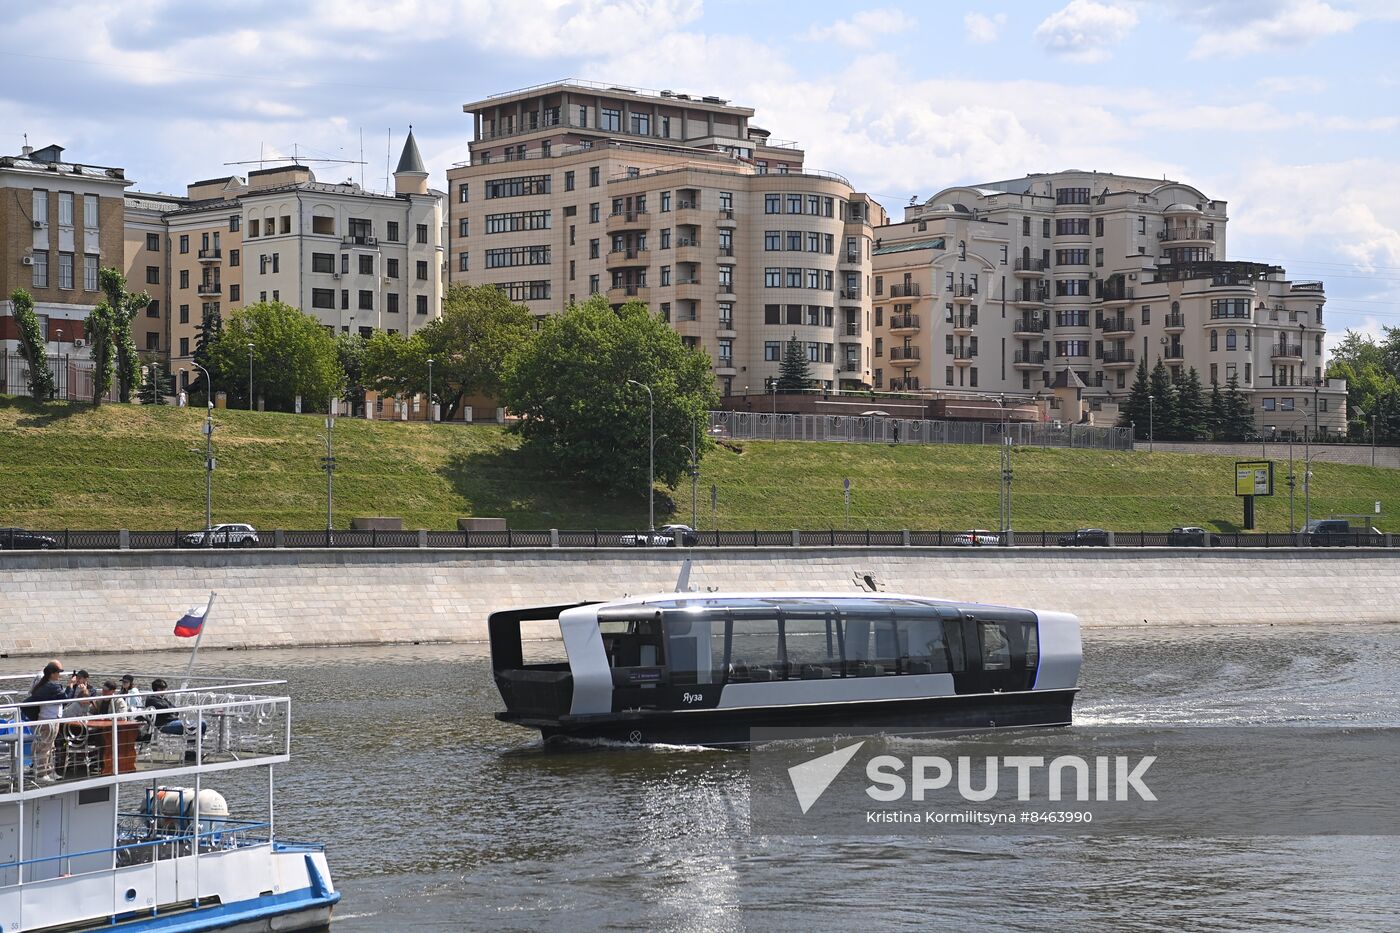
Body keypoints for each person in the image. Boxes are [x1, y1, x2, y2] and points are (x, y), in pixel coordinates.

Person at [25, 662, 70, 783]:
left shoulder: (42, 685)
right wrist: (70, 686)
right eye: (58, 673)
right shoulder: (52, 686)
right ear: (52, 674)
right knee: (46, 747)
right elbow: (66, 698)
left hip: (43, 717)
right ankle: (42, 775)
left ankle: (48, 771)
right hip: (50, 719)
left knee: (48, 746)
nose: (59, 675)